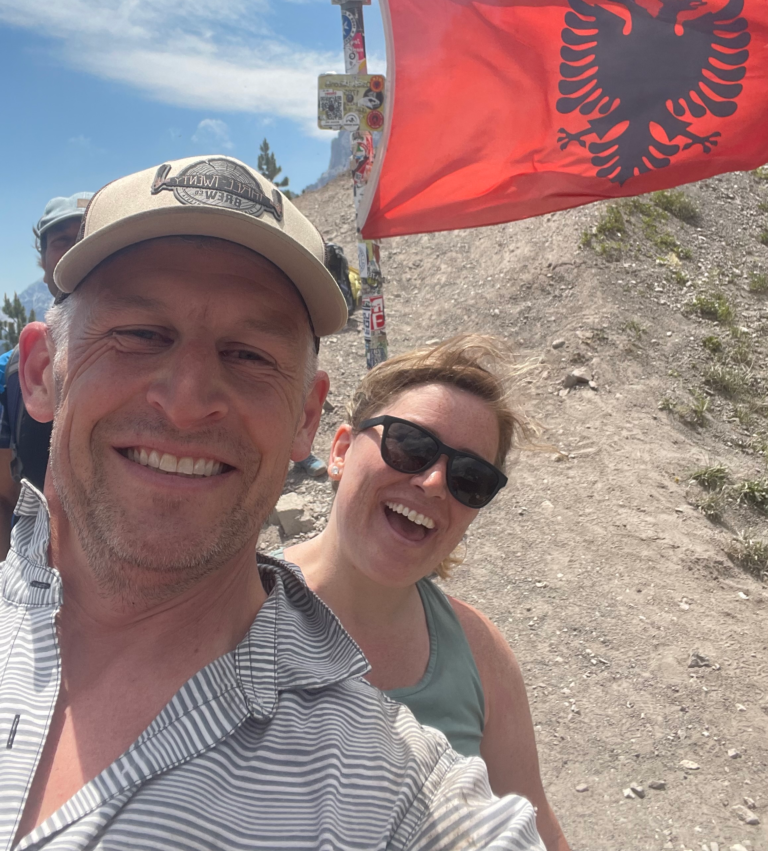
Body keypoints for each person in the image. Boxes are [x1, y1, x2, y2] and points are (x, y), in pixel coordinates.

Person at [3, 155, 544, 850]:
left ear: (306, 420)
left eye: (251, 354)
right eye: (141, 334)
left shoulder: (398, 791)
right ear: (43, 372)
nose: (189, 399)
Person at [284, 335, 570, 851]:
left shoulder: (479, 656)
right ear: (342, 450)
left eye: (470, 477)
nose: (435, 482)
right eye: (411, 445)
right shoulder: (229, 609)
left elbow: (535, 826)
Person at [0, 191, 93, 557]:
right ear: (42, 259)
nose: (74, 251)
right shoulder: (7, 371)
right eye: (62, 241)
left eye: (85, 238)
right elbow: (4, 494)